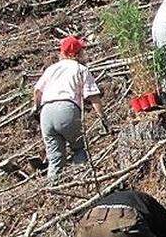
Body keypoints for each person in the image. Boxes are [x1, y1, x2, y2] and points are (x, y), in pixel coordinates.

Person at [33, 36, 109, 182]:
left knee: (55, 159)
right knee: (79, 148)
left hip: (46, 113)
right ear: (77, 54)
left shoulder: (51, 69)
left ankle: (54, 191)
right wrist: (102, 118)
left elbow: (37, 91)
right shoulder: (81, 69)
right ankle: (83, 183)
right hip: (67, 109)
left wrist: (36, 108)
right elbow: (93, 97)